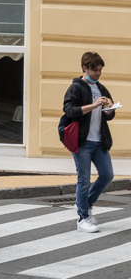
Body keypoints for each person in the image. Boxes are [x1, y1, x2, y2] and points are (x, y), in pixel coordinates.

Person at [62, 51, 117, 233]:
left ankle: (87, 204)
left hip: (99, 141)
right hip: (82, 141)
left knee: (107, 174)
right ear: (85, 68)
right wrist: (93, 105)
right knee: (83, 180)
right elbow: (69, 111)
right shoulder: (76, 87)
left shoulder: (102, 88)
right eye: (95, 70)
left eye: (100, 70)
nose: (98, 73)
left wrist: (109, 109)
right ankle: (83, 218)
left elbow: (110, 115)